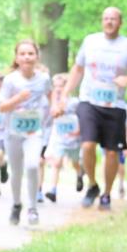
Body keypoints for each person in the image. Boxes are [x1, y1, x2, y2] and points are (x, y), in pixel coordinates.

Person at [60, 7, 127, 211]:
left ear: (120, 23)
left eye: (113, 19)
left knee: (111, 153)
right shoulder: (91, 41)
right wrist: (65, 93)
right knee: (88, 145)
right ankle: (92, 184)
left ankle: (107, 193)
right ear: (102, 21)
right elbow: (78, 68)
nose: (109, 22)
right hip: (89, 101)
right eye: (106, 18)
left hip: (114, 105)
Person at [0, 39, 51, 226]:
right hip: (13, 133)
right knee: (17, 172)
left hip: (34, 132)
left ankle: (32, 208)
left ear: (37, 56)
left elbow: (50, 96)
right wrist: (18, 99)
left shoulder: (44, 79)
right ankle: (16, 204)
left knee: (32, 166)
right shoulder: (10, 80)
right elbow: (2, 107)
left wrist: (50, 112)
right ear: (17, 57)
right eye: (22, 53)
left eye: (30, 53)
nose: (27, 57)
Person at [43, 73, 84, 202]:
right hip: (60, 137)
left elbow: (83, 117)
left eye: (61, 86)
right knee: (57, 162)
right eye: (56, 86)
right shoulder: (53, 102)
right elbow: (53, 114)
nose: (58, 88)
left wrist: (79, 130)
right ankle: (53, 191)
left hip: (73, 137)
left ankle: (79, 173)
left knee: (74, 162)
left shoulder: (75, 102)